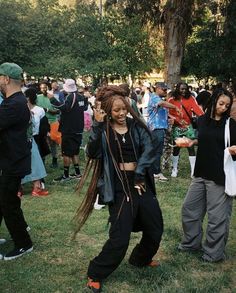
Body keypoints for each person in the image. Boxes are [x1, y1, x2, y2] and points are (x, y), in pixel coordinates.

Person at [74, 85, 163, 293]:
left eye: (124, 108)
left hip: (141, 182)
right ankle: (95, 272)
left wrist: (140, 175)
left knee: (155, 227)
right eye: (116, 110)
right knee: (120, 237)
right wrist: (96, 125)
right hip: (119, 186)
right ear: (107, 111)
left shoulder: (136, 126)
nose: (122, 113)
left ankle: (140, 258)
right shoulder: (103, 129)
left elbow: (150, 149)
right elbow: (93, 153)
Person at [178, 88, 236, 262]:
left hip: (219, 176)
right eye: (221, 104)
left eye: (227, 105)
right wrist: (191, 141)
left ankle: (213, 253)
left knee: (217, 218)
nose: (224, 108)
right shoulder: (202, 120)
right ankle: (191, 243)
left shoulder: (231, 125)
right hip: (200, 173)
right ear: (213, 102)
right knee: (189, 209)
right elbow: (202, 138)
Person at [0, 62, 33, 260]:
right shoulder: (16, 101)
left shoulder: (14, 104)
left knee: (8, 203)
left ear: (5, 79)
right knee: (4, 200)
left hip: (13, 161)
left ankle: (23, 243)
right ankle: (21, 238)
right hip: (12, 159)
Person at [50, 79, 88, 182]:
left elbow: (64, 108)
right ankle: (77, 173)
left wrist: (52, 99)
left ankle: (66, 175)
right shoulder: (81, 97)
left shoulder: (71, 97)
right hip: (78, 128)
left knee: (66, 153)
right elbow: (84, 108)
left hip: (69, 129)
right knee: (74, 152)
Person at [168, 82, 204, 177]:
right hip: (177, 127)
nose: (184, 91)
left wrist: (204, 117)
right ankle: (174, 169)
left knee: (190, 148)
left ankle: (193, 171)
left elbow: (198, 110)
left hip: (188, 127)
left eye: (185, 89)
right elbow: (168, 113)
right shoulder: (171, 100)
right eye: (182, 89)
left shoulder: (191, 98)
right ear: (177, 89)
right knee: (176, 148)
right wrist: (177, 120)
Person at [147, 82, 180, 181]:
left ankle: (154, 171)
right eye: (164, 90)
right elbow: (161, 104)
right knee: (157, 151)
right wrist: (175, 107)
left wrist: (170, 118)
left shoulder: (159, 99)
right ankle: (156, 172)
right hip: (156, 129)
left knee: (157, 151)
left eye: (166, 90)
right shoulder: (154, 98)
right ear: (157, 88)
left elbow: (161, 112)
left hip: (160, 128)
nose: (166, 91)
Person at [37, 82, 60, 168]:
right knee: (42, 141)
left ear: (48, 88)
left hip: (52, 122)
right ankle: (42, 161)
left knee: (53, 142)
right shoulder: (37, 98)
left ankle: (55, 160)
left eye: (45, 87)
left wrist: (51, 111)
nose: (44, 89)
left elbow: (59, 109)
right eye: (42, 88)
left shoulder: (53, 97)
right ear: (40, 88)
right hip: (42, 123)